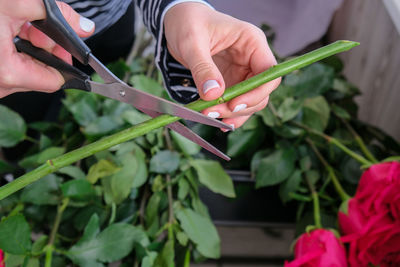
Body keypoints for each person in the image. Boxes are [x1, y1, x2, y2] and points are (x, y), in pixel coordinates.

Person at [0, 0, 280, 130]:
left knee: (111, 59)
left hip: (109, 21)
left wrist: (178, 9)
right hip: (12, 40)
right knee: (30, 112)